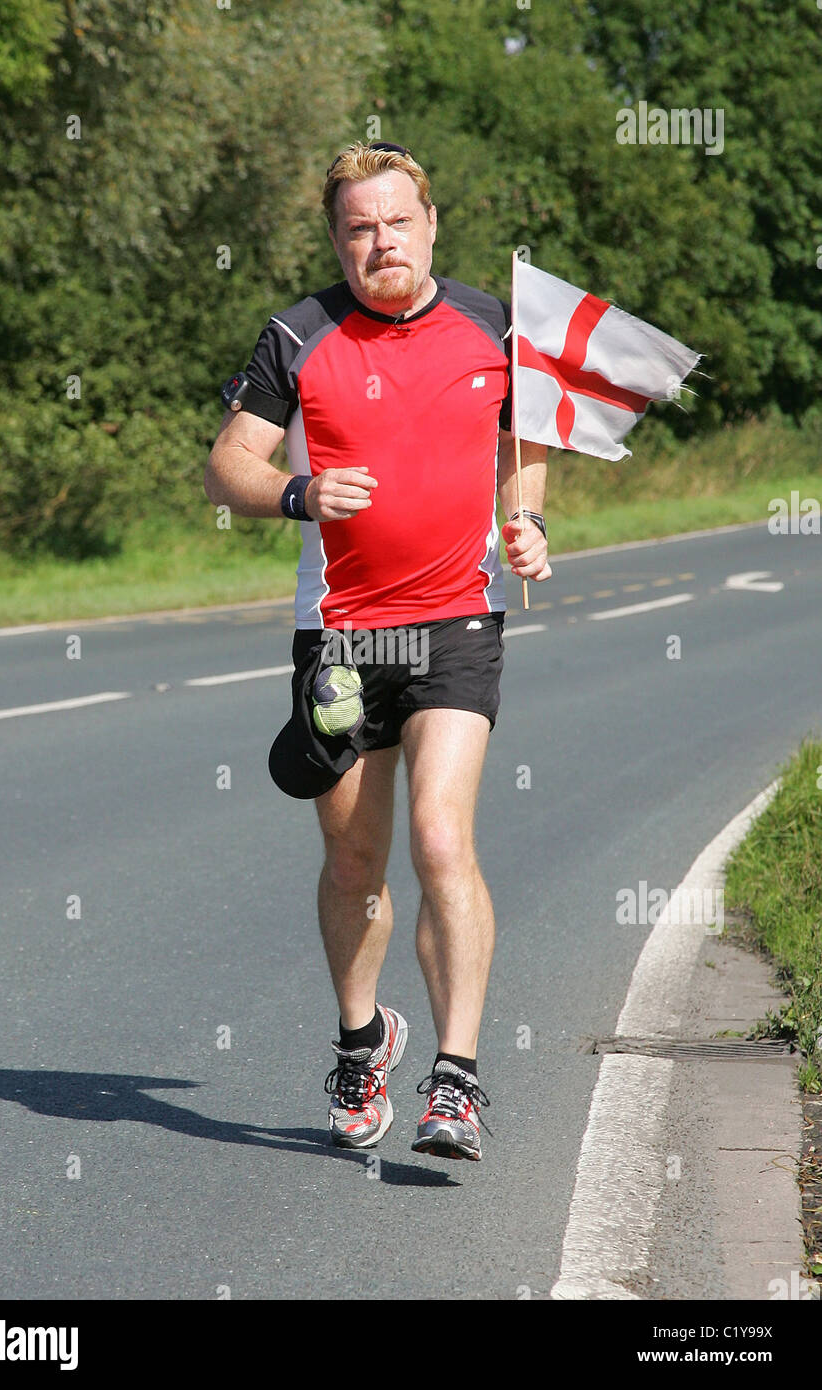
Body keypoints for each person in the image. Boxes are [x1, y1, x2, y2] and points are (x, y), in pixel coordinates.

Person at [204, 141, 550, 1162]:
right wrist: (299, 493)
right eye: (358, 227)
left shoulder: (494, 323)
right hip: (344, 633)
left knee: (441, 838)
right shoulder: (299, 336)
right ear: (336, 239)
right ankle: (363, 1039)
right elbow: (229, 465)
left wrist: (523, 520)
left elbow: (522, 438)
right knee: (353, 858)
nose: (379, 241)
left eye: (395, 221)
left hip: (457, 619)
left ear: (430, 222)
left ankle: (456, 1078)